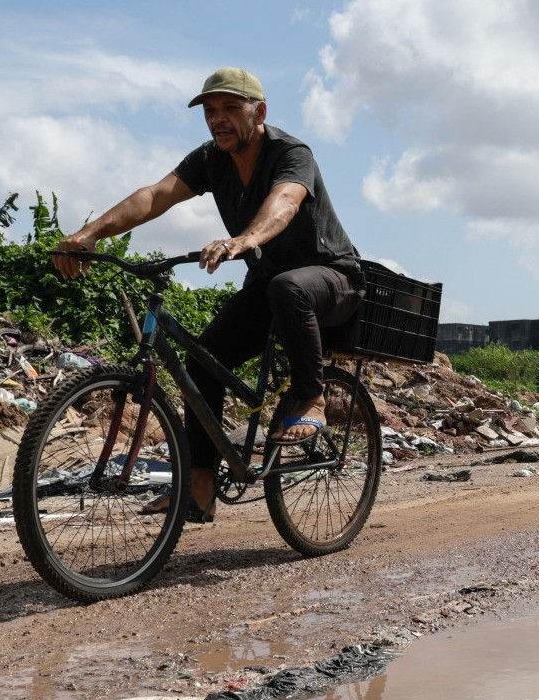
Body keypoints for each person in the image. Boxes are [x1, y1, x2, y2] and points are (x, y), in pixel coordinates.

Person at [52, 66, 362, 518]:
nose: (218, 119)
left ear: (259, 113)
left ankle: (311, 398)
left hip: (332, 277)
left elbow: (286, 201)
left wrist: (244, 239)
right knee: (202, 363)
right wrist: (90, 233)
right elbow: (155, 195)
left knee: (288, 286)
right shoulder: (210, 159)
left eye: (230, 108)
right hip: (269, 286)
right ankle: (199, 490)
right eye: (210, 110)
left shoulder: (291, 153)